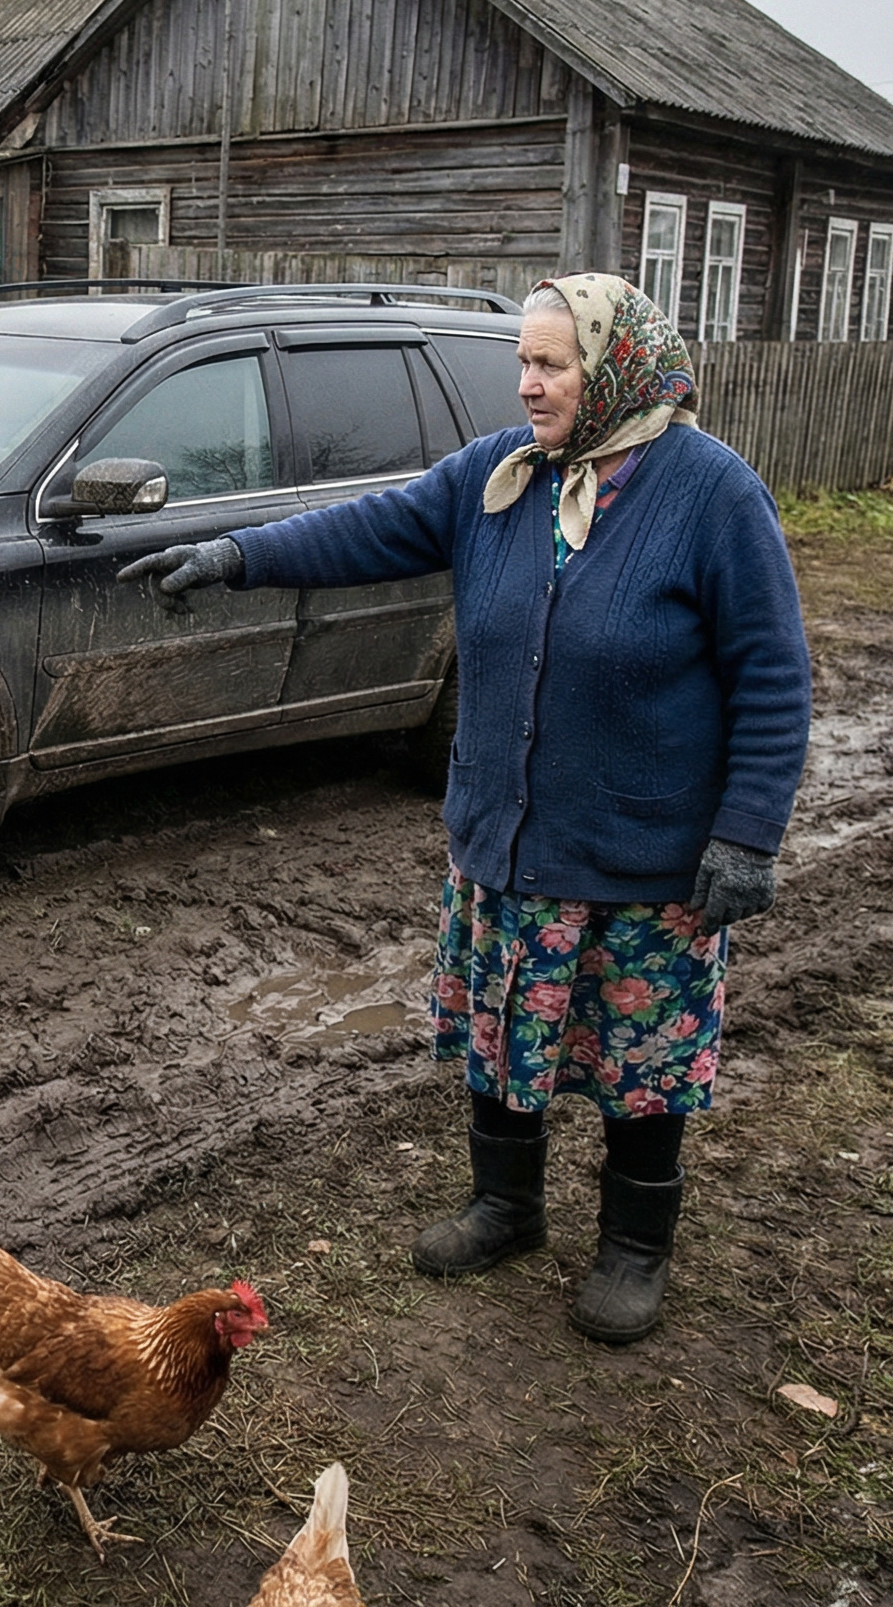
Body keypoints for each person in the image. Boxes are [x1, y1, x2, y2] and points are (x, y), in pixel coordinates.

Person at [120, 274, 811, 1344]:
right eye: (521, 362)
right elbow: (368, 525)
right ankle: (505, 1206)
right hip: (507, 839)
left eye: (550, 365)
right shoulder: (498, 476)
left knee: (641, 1062)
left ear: (612, 366)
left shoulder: (709, 494)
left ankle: (632, 1246)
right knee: (501, 1035)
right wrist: (237, 554)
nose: (526, 384)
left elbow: (771, 672)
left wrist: (746, 830)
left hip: (642, 852)